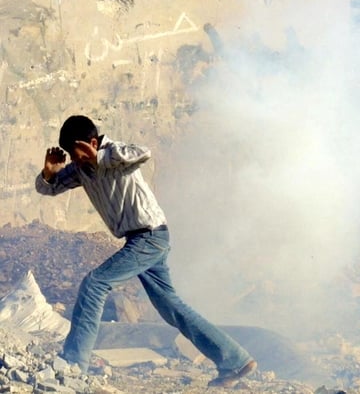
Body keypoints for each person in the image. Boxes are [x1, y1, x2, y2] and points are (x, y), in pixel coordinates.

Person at [35, 115, 257, 388]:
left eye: (76, 152)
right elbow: (48, 189)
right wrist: (49, 173)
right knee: (171, 307)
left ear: (92, 143)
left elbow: (143, 153)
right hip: (139, 239)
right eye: (70, 154)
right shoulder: (82, 169)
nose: (74, 159)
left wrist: (98, 157)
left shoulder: (115, 153)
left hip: (150, 235)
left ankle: (73, 364)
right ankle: (235, 360)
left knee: (95, 284)